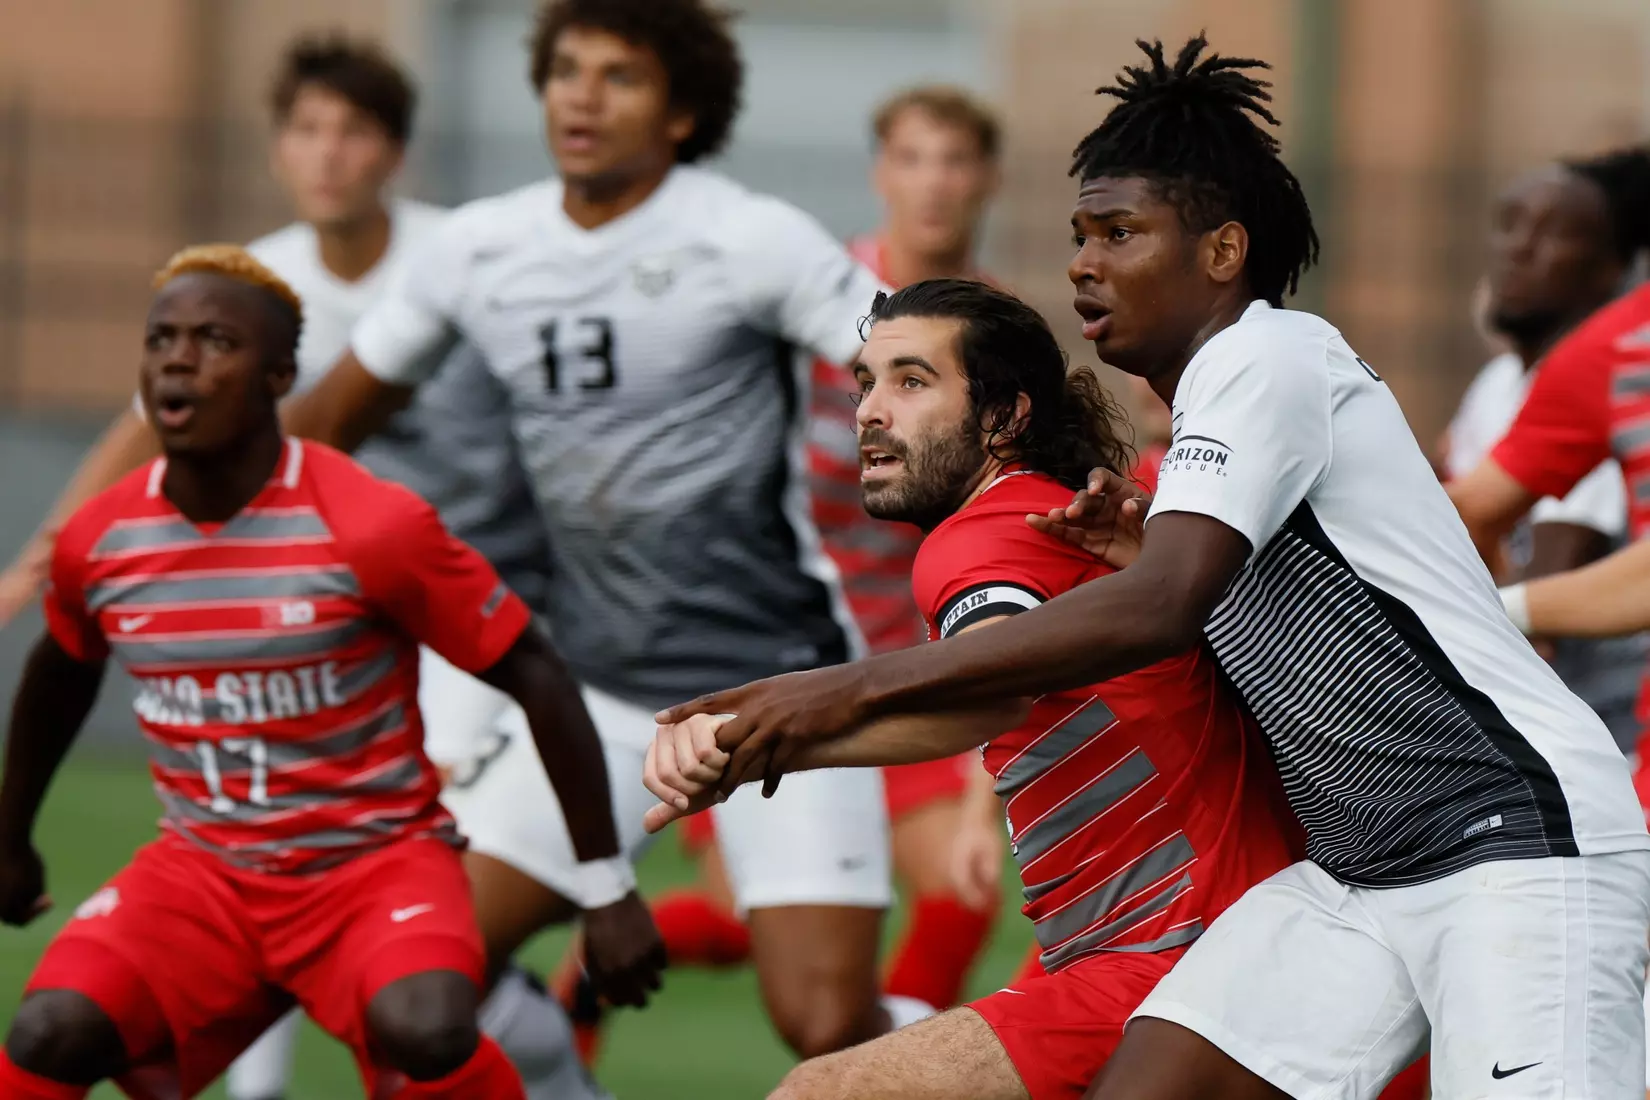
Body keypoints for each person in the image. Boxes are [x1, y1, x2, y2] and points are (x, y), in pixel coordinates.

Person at [654, 37, 1650, 1100]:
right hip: (1362, 873)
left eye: (1119, 232)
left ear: (1223, 251)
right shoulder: (1195, 438)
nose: (1084, 261)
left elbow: (1164, 607)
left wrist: (826, 692)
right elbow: (1206, 599)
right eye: (1081, 233)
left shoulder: (1264, 355)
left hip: (1515, 845)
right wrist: (1139, 540)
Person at [279, 0, 907, 1062]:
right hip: (598, 693)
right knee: (419, 983)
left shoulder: (745, 235)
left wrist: (994, 468)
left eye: (619, 76)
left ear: (681, 112)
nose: (581, 94)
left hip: (778, 690)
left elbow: (917, 353)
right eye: (566, 69)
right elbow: (325, 423)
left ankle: (1017, 1056)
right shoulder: (483, 248)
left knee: (826, 1026)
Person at [0, 246, 663, 1100]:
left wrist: (606, 888)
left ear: (279, 376)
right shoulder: (103, 538)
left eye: (214, 340)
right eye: (162, 337)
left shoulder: (370, 524)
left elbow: (534, 671)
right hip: (202, 875)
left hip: (373, 867)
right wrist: (12, 840)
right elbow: (58, 678)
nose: (179, 356)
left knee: (425, 1027)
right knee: (48, 1032)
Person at [643, 277, 1303, 1100]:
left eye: (912, 382)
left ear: (1003, 417)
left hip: (1184, 952)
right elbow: (985, 696)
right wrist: (767, 745)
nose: (870, 412)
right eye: (866, 383)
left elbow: (992, 684)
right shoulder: (1047, 515)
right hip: (1201, 943)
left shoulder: (978, 537)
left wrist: (778, 727)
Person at [635, 84, 1005, 1043]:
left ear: (987, 180)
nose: (935, 184)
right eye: (914, 159)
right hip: (780, 651)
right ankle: (574, 1000)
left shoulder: (998, 334)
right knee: (733, 916)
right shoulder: (822, 302)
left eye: (955, 160)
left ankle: (890, 1066)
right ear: (882, 173)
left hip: (908, 655)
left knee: (963, 891)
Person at [1440, 151, 1650, 755]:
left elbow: (1551, 567)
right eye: (1510, 223)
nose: (1519, 249)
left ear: (1613, 266)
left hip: (1597, 710)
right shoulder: (1555, 371)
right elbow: (1461, 514)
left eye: (1555, 233)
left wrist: (1493, 613)